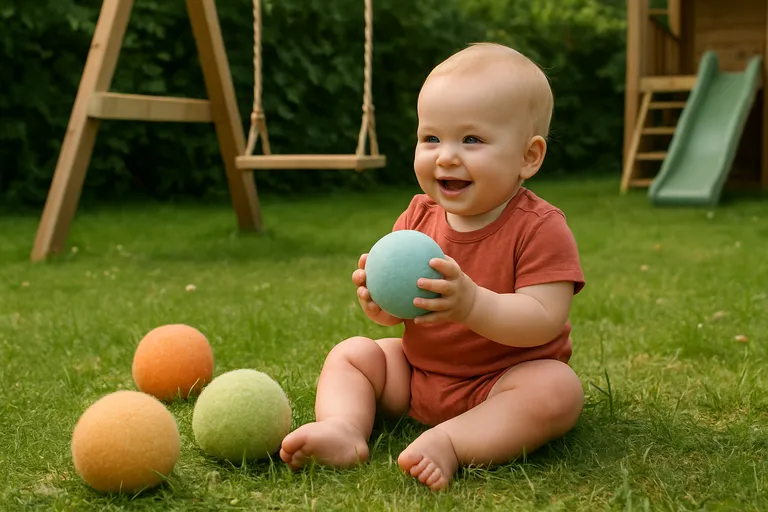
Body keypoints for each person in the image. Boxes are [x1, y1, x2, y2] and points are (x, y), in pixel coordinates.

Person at [280, 42, 586, 491]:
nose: (445, 155)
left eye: (472, 139)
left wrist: (471, 304)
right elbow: (405, 312)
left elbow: (544, 320)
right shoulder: (417, 218)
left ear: (529, 157)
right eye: (431, 138)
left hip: (501, 384)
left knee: (558, 390)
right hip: (419, 376)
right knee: (353, 353)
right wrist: (381, 305)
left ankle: (453, 442)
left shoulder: (540, 227)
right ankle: (343, 428)